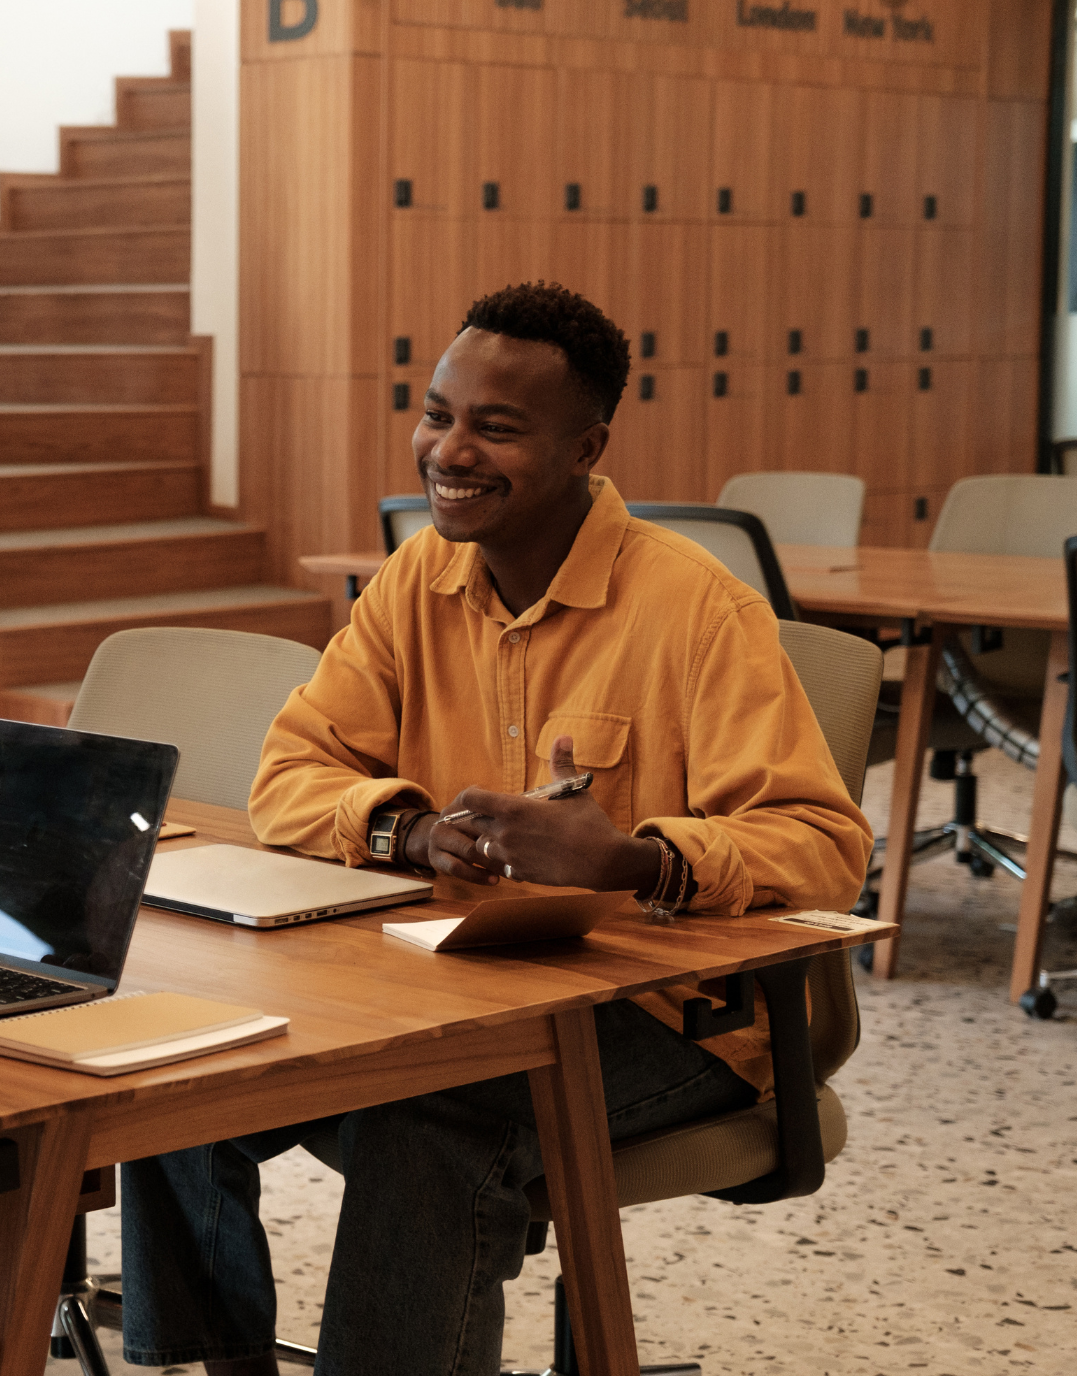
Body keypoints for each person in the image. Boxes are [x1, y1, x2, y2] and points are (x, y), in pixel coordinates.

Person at [115, 282, 873, 1376]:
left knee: (426, 1116)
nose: (447, 449)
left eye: (496, 427)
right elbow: (287, 769)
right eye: (436, 412)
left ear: (585, 447)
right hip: (448, 983)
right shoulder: (417, 576)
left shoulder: (696, 608)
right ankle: (216, 1361)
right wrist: (408, 831)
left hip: (668, 1016)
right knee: (180, 1047)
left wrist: (638, 859)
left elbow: (822, 843)